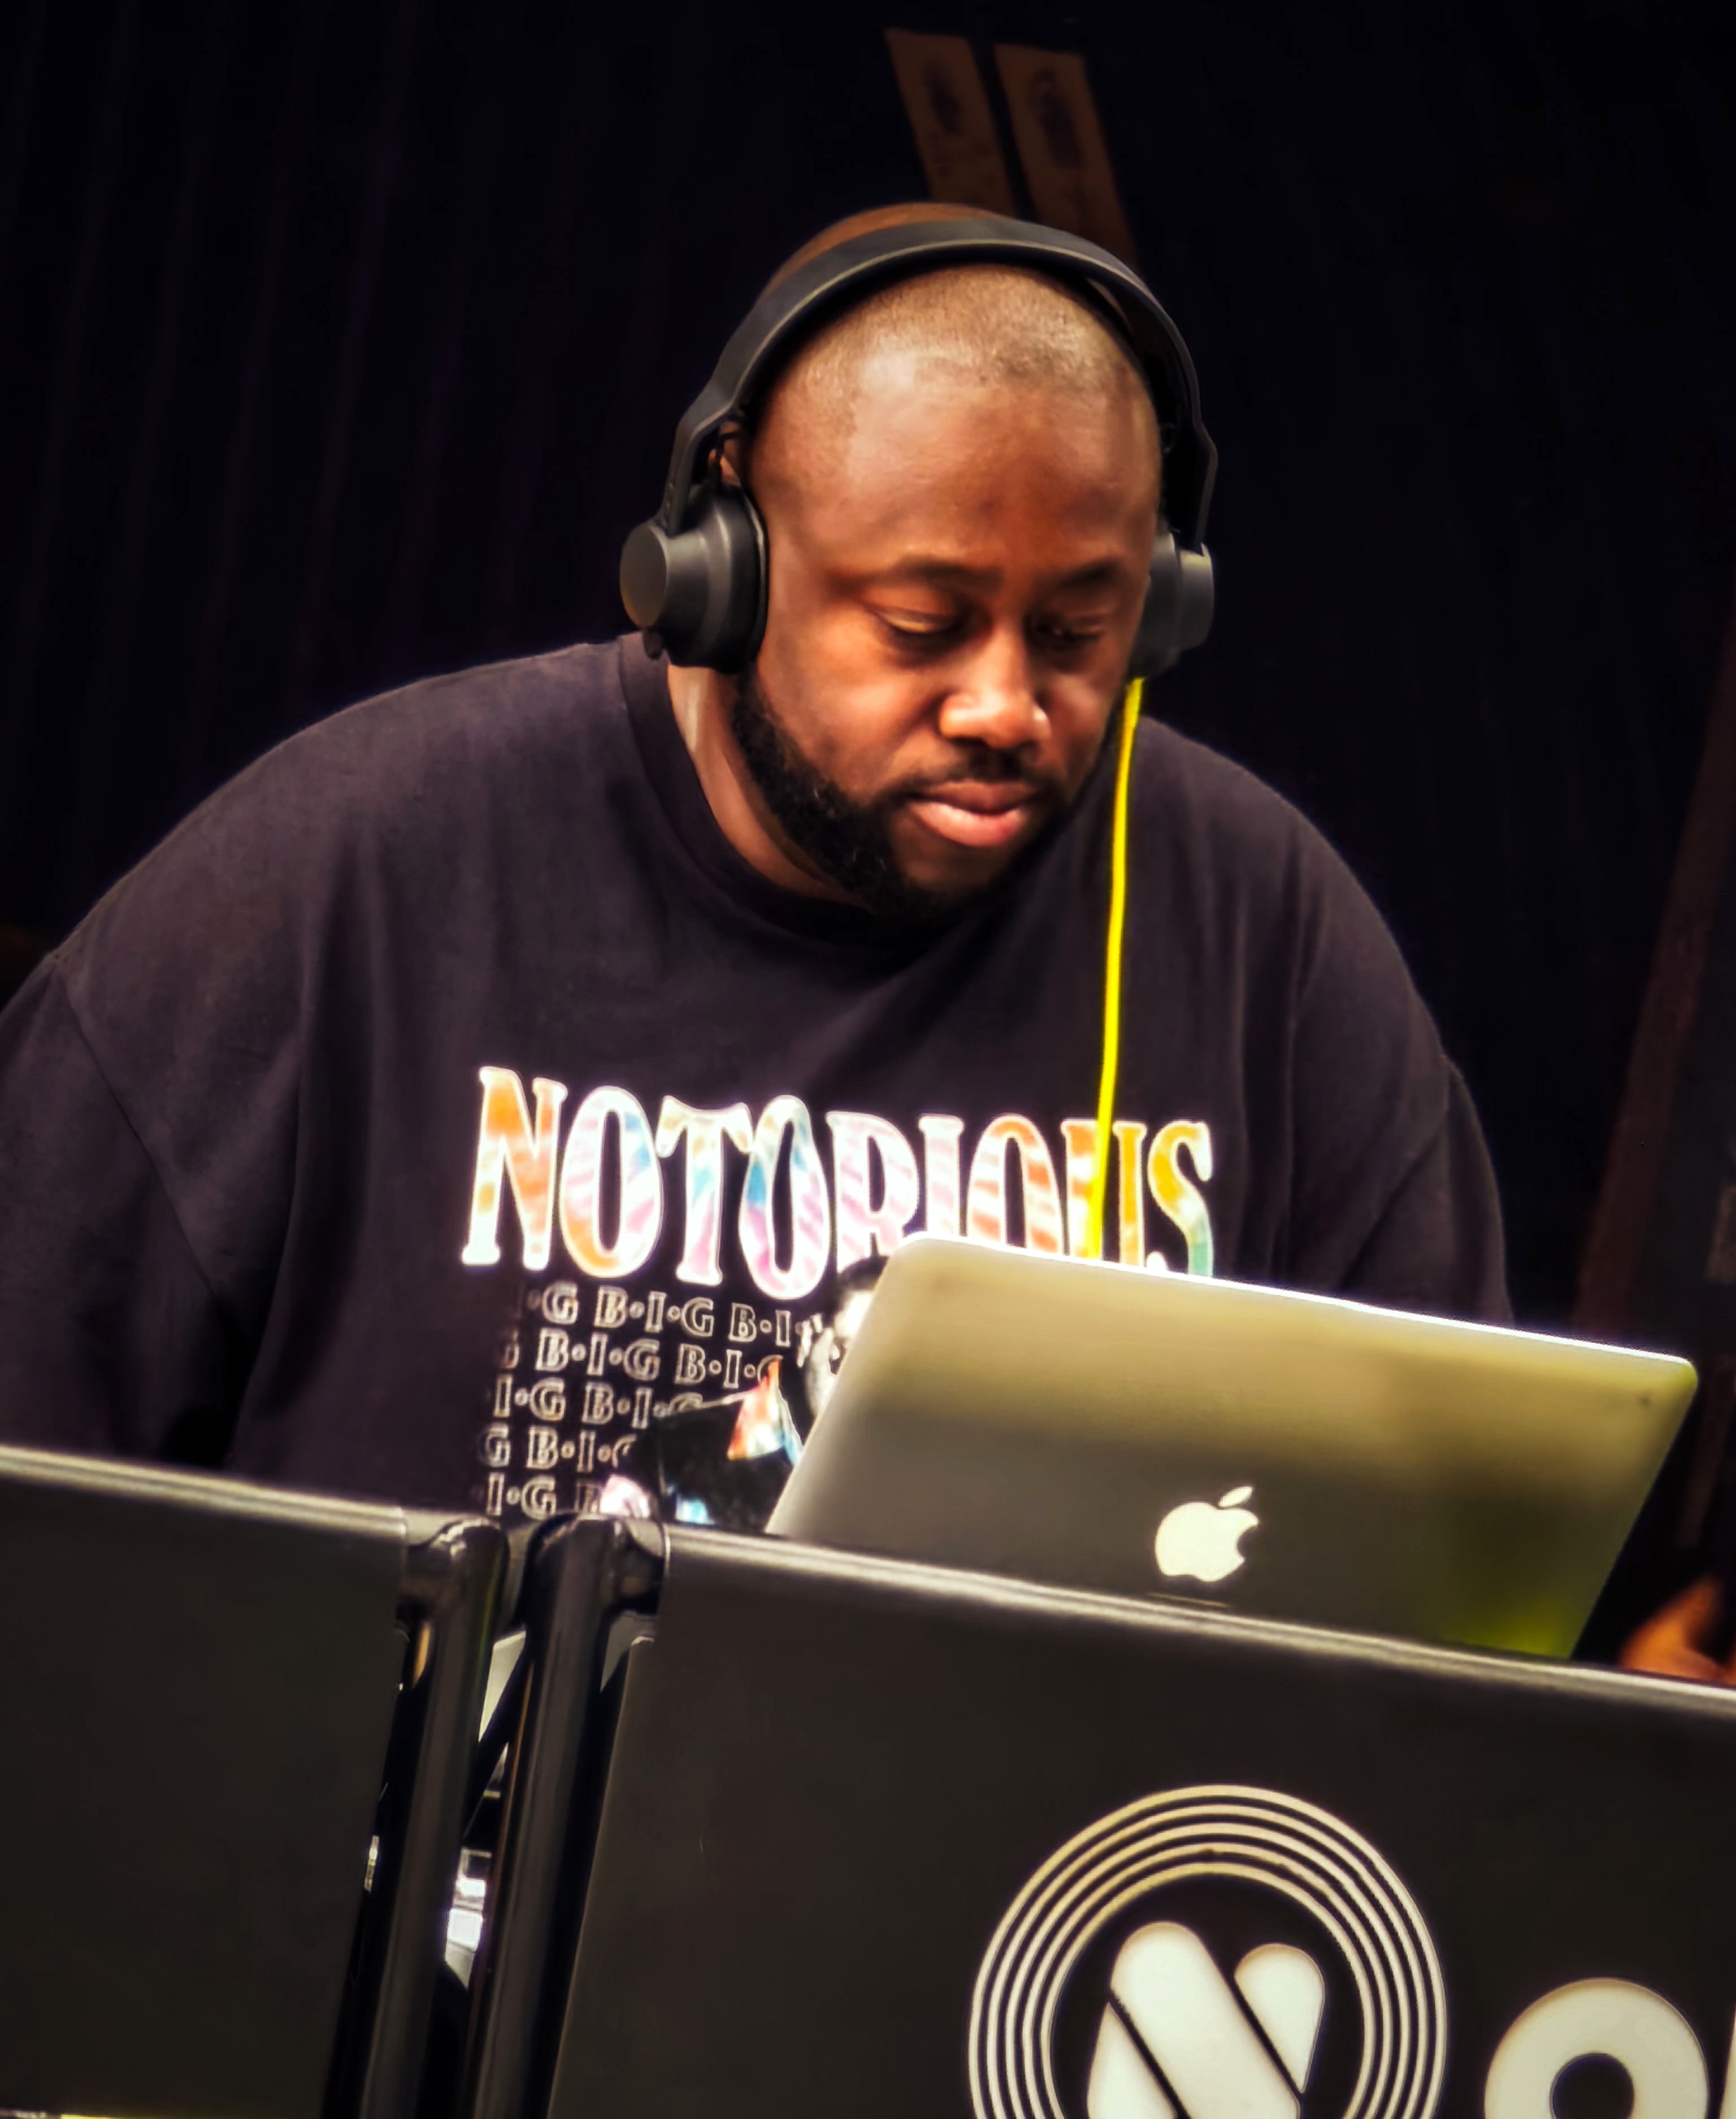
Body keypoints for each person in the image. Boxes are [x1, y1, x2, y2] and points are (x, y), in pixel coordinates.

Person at [0, 203, 1507, 1533]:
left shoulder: (1268, 943)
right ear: (726, 562)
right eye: (922, 625)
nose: (1006, 706)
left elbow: (1460, 1548)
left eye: (1075, 632)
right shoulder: (343, 879)